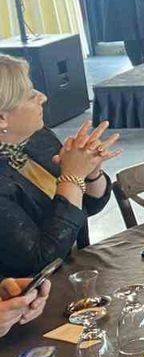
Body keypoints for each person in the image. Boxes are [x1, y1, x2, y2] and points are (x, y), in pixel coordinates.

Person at [0, 54, 120, 278]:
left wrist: (91, 170)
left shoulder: (38, 138)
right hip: (33, 292)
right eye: (30, 95)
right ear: (1, 118)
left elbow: (84, 209)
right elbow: (39, 261)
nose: (42, 97)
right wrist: (72, 176)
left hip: (79, 271)